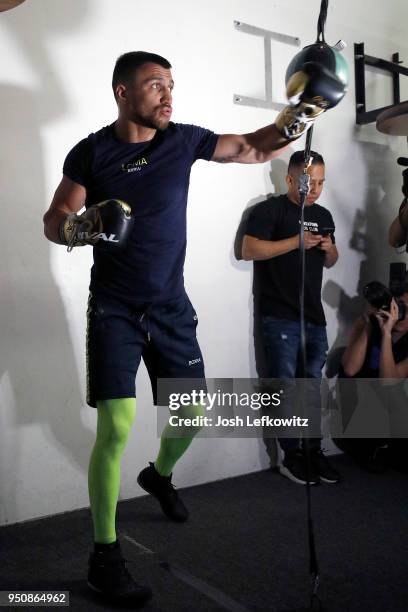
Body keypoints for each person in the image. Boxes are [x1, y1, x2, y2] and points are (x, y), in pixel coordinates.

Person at [43, 51, 341, 604]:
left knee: (194, 411)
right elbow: (53, 221)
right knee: (117, 426)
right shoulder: (91, 151)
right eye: (155, 85)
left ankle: (159, 475)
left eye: (171, 85)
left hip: (171, 307)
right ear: (122, 92)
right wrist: (83, 227)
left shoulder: (181, 141)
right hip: (113, 308)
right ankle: (104, 556)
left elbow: (253, 146)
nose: (167, 94)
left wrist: (298, 116)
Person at [242, 151, 340, 486]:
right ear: (289, 180)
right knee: (284, 387)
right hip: (279, 315)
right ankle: (290, 455)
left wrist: (329, 250)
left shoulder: (324, 214)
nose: (314, 188)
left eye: (320, 182)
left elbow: (331, 261)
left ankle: (314, 451)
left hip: (314, 316)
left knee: (312, 387)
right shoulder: (269, 210)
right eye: (308, 181)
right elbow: (249, 250)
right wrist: (296, 242)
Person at [339, 294, 408, 473]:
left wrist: (386, 335)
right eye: (399, 306)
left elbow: (390, 384)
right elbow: (349, 369)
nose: (401, 313)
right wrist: (369, 323)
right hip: (360, 410)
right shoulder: (368, 323)